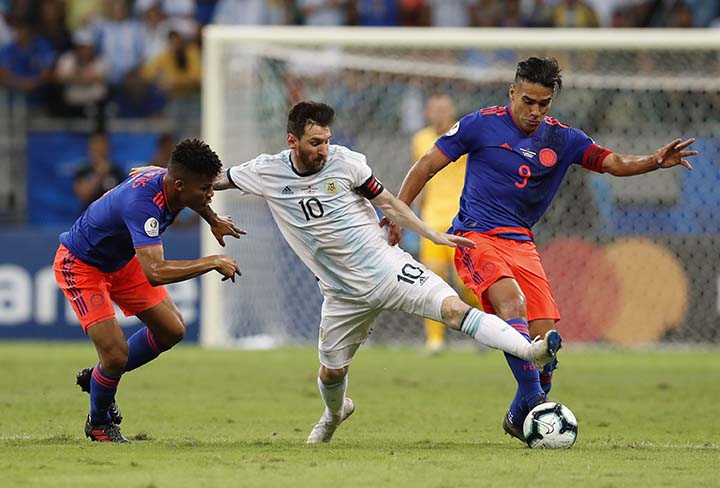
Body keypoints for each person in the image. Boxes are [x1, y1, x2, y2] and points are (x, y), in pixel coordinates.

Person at [205, 101, 563, 444]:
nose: (324, 150)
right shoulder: (267, 171)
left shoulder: (347, 164)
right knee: (332, 372)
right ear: (292, 141)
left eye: (327, 141)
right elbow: (216, 182)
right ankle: (333, 414)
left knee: (455, 310)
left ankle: (530, 352)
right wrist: (170, 181)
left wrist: (432, 234)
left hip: (387, 268)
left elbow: (389, 203)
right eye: (316, 143)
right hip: (341, 294)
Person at [390, 56, 697, 442]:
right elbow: (426, 165)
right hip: (475, 236)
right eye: (528, 101)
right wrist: (398, 213)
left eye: (544, 103)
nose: (535, 111)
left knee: (545, 341)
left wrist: (653, 161)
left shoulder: (562, 138)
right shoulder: (479, 124)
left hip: (521, 242)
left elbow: (612, 162)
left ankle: (520, 414)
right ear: (512, 92)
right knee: (512, 305)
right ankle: (536, 403)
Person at [54, 138, 243, 443]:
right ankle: (99, 422)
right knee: (115, 354)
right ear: (179, 184)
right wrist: (212, 261)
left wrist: (213, 219)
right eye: (205, 188)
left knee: (172, 330)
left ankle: (100, 379)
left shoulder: (170, 181)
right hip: (82, 264)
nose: (210, 194)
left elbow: (166, 180)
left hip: (121, 260)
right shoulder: (143, 206)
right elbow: (154, 272)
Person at [411, 93, 473, 354]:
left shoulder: (466, 135)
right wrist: (415, 209)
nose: (439, 114)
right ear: (427, 112)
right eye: (435, 109)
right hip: (432, 222)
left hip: (462, 221)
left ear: (452, 111)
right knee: (432, 282)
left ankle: (491, 327)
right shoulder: (420, 139)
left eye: (444, 109)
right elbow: (421, 174)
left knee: (466, 284)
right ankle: (435, 341)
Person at [72, 131, 126, 212]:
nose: (99, 150)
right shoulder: (83, 170)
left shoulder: (116, 171)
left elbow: (123, 198)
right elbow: (83, 194)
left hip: (112, 218)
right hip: (89, 218)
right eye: (95, 147)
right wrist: (99, 174)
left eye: (102, 147)